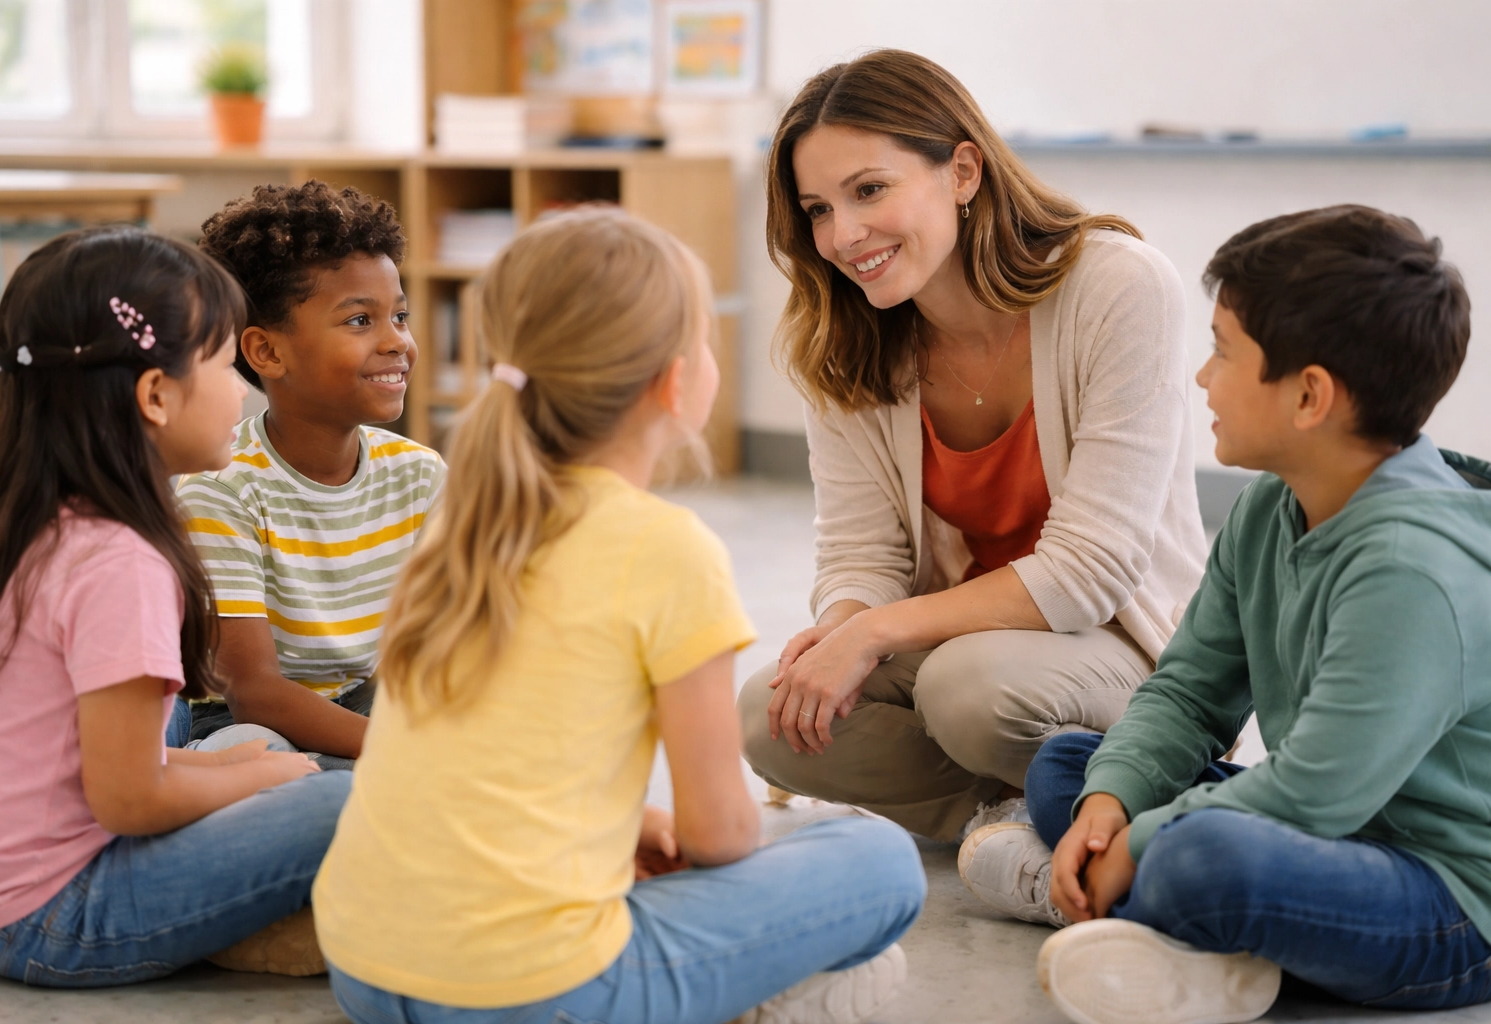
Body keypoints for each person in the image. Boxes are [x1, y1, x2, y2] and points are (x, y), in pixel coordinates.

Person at [312, 207, 926, 1024]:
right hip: (530, 998)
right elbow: (719, 837)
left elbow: (482, 759)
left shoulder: (460, 523)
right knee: (878, 859)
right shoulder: (668, 550)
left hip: (363, 967)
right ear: (677, 382)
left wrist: (626, 823)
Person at [963, 206, 1491, 1024]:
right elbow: (1187, 693)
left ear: (1310, 395)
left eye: (1222, 352)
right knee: (1070, 767)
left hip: (1451, 901)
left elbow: (1316, 795)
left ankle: (1112, 904)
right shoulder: (1270, 506)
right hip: (1332, 840)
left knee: (1200, 855)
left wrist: (1140, 842)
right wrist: (1111, 807)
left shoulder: (1410, 568)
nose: (1202, 379)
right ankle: (1186, 934)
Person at [738, 47, 1206, 853]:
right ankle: (1023, 819)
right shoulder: (845, 340)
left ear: (962, 171)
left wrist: (874, 636)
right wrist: (842, 630)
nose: (843, 236)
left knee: (968, 693)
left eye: (869, 190)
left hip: (1114, 647)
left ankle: (1137, 776)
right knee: (768, 715)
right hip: (961, 645)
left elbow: (1090, 571)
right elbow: (860, 553)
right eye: (817, 209)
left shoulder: (1119, 286)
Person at [0, 226, 350, 987]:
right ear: (156, 395)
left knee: (254, 744)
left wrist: (248, 770)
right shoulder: (119, 561)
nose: (243, 388)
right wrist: (266, 784)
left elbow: (76, 757)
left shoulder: (27, 519)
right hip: (58, 917)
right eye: (226, 363)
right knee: (341, 799)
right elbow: (130, 796)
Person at [177, 181, 444, 769]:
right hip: (252, 720)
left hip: (369, 705)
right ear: (267, 352)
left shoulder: (420, 475)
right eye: (359, 321)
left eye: (399, 315)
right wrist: (414, 755)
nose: (396, 341)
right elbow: (253, 693)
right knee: (251, 756)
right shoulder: (222, 492)